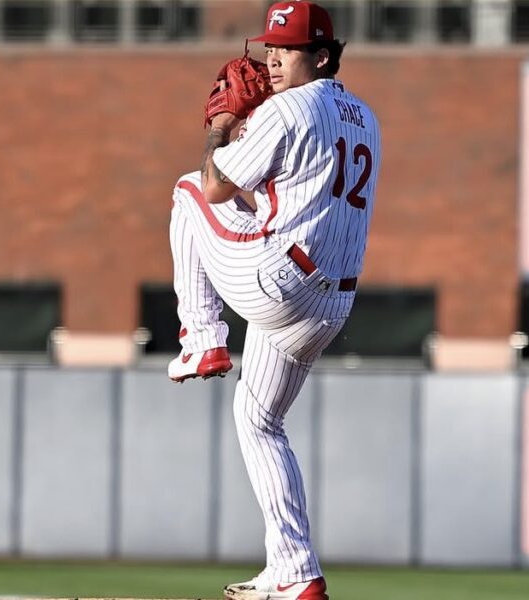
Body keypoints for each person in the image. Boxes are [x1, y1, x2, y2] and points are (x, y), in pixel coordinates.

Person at [167, 2, 380, 598]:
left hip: (280, 283)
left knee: (188, 190)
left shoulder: (287, 108)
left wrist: (222, 124)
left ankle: (201, 339)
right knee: (258, 419)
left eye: (288, 48)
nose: (274, 57)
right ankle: (295, 570)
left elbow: (214, 184)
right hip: (329, 306)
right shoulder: (366, 117)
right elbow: (281, 196)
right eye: (272, 46)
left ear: (322, 56)